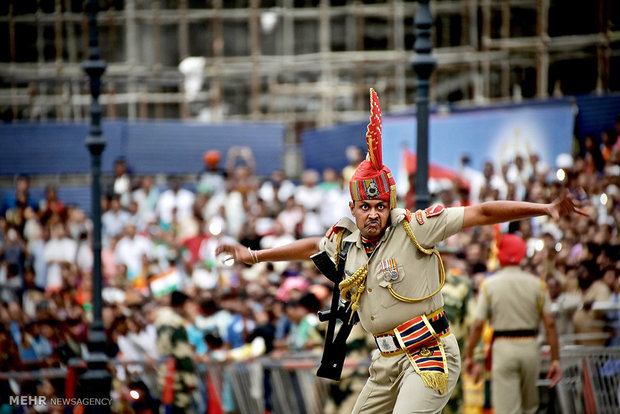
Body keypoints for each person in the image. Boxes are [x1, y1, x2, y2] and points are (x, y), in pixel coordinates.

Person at [216, 89, 587, 413]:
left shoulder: (416, 227)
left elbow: (482, 212)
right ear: (353, 209)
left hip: (428, 354)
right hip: (386, 361)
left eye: (380, 205)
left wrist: (545, 209)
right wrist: (254, 256)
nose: (374, 213)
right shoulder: (344, 241)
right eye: (366, 207)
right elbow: (312, 246)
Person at [463, 234, 563, 414]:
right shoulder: (538, 285)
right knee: (529, 407)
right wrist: (555, 359)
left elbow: (478, 324)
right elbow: (550, 324)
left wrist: (469, 355)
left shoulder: (489, 285)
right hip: (531, 347)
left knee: (507, 409)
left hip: (504, 347)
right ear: (522, 254)